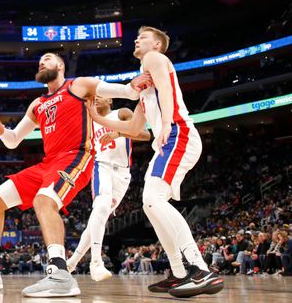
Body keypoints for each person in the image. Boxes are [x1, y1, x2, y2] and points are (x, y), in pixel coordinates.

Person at [0, 54, 149, 297]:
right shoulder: (37, 103)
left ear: (60, 66)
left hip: (76, 156)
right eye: (39, 61)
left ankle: (60, 274)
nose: (41, 62)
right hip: (48, 163)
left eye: (47, 59)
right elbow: (13, 140)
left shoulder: (79, 85)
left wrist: (139, 82)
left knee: (44, 201)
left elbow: (127, 92)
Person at [88, 26, 224, 297]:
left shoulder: (155, 59)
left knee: (154, 200)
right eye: (138, 37)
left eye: (144, 37)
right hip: (168, 137)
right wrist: (99, 119)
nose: (138, 40)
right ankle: (178, 272)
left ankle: (200, 269)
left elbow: (167, 92)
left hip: (178, 133)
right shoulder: (143, 81)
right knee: (150, 204)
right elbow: (137, 128)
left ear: (158, 45)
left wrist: (165, 123)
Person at [66, 96, 150, 280]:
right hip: (101, 166)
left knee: (99, 217)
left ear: (110, 100)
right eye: (93, 96)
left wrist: (119, 133)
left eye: (99, 95)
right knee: (101, 207)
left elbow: (146, 135)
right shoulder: (89, 123)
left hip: (122, 174)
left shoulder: (121, 114)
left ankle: (72, 262)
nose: (95, 98)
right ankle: (96, 261)